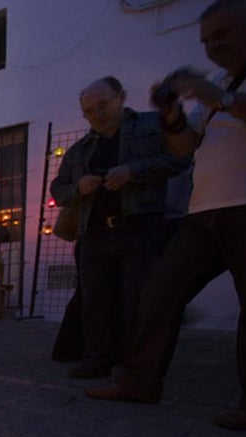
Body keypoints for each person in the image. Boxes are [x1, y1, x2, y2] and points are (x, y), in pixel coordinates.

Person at [88, 0, 246, 430]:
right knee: (159, 291)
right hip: (205, 209)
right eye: (207, 41)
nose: (213, 48)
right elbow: (185, 146)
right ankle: (139, 381)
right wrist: (173, 117)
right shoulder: (218, 80)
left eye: (222, 35)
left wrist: (224, 98)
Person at [50, 76, 188, 379]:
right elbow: (58, 189)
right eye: (90, 111)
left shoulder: (150, 127)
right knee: (94, 300)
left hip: (139, 227)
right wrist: (79, 188)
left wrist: (133, 172)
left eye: (103, 105)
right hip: (94, 232)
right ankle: (98, 358)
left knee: (137, 299)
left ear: (120, 97)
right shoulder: (81, 149)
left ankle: (133, 364)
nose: (98, 114)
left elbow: (179, 159)